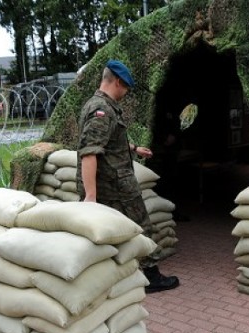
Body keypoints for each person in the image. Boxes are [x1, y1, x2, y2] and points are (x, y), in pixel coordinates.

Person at [76, 60, 179, 293]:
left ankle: (112, 276)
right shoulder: (101, 110)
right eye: (126, 89)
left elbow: (109, 141)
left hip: (110, 184)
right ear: (119, 82)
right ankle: (151, 276)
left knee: (109, 232)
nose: (126, 93)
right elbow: (89, 152)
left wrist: (133, 149)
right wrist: (90, 197)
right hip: (115, 187)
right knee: (142, 225)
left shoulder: (96, 105)